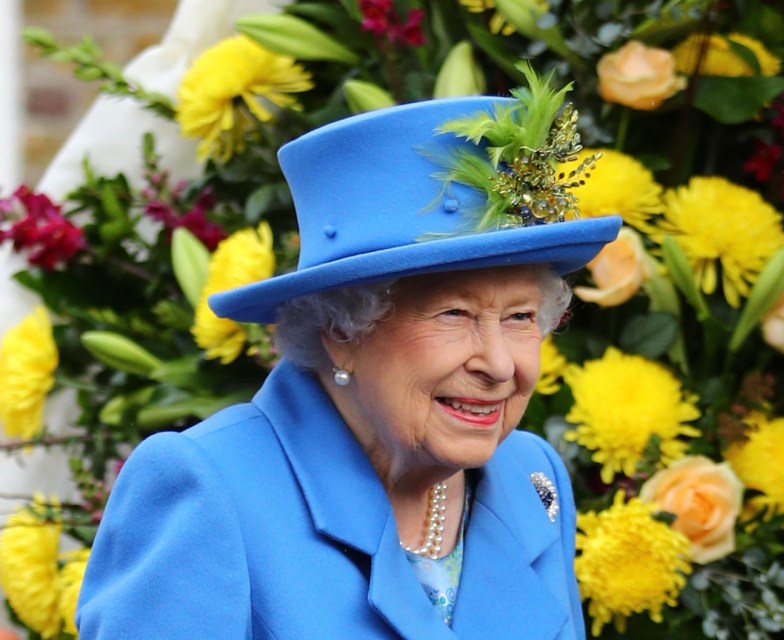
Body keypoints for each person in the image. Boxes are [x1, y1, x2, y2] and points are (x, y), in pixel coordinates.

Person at [76, 75, 621, 638]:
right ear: (343, 329)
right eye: (454, 315)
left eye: (521, 318)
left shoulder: (530, 477)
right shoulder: (211, 489)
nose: (501, 365)